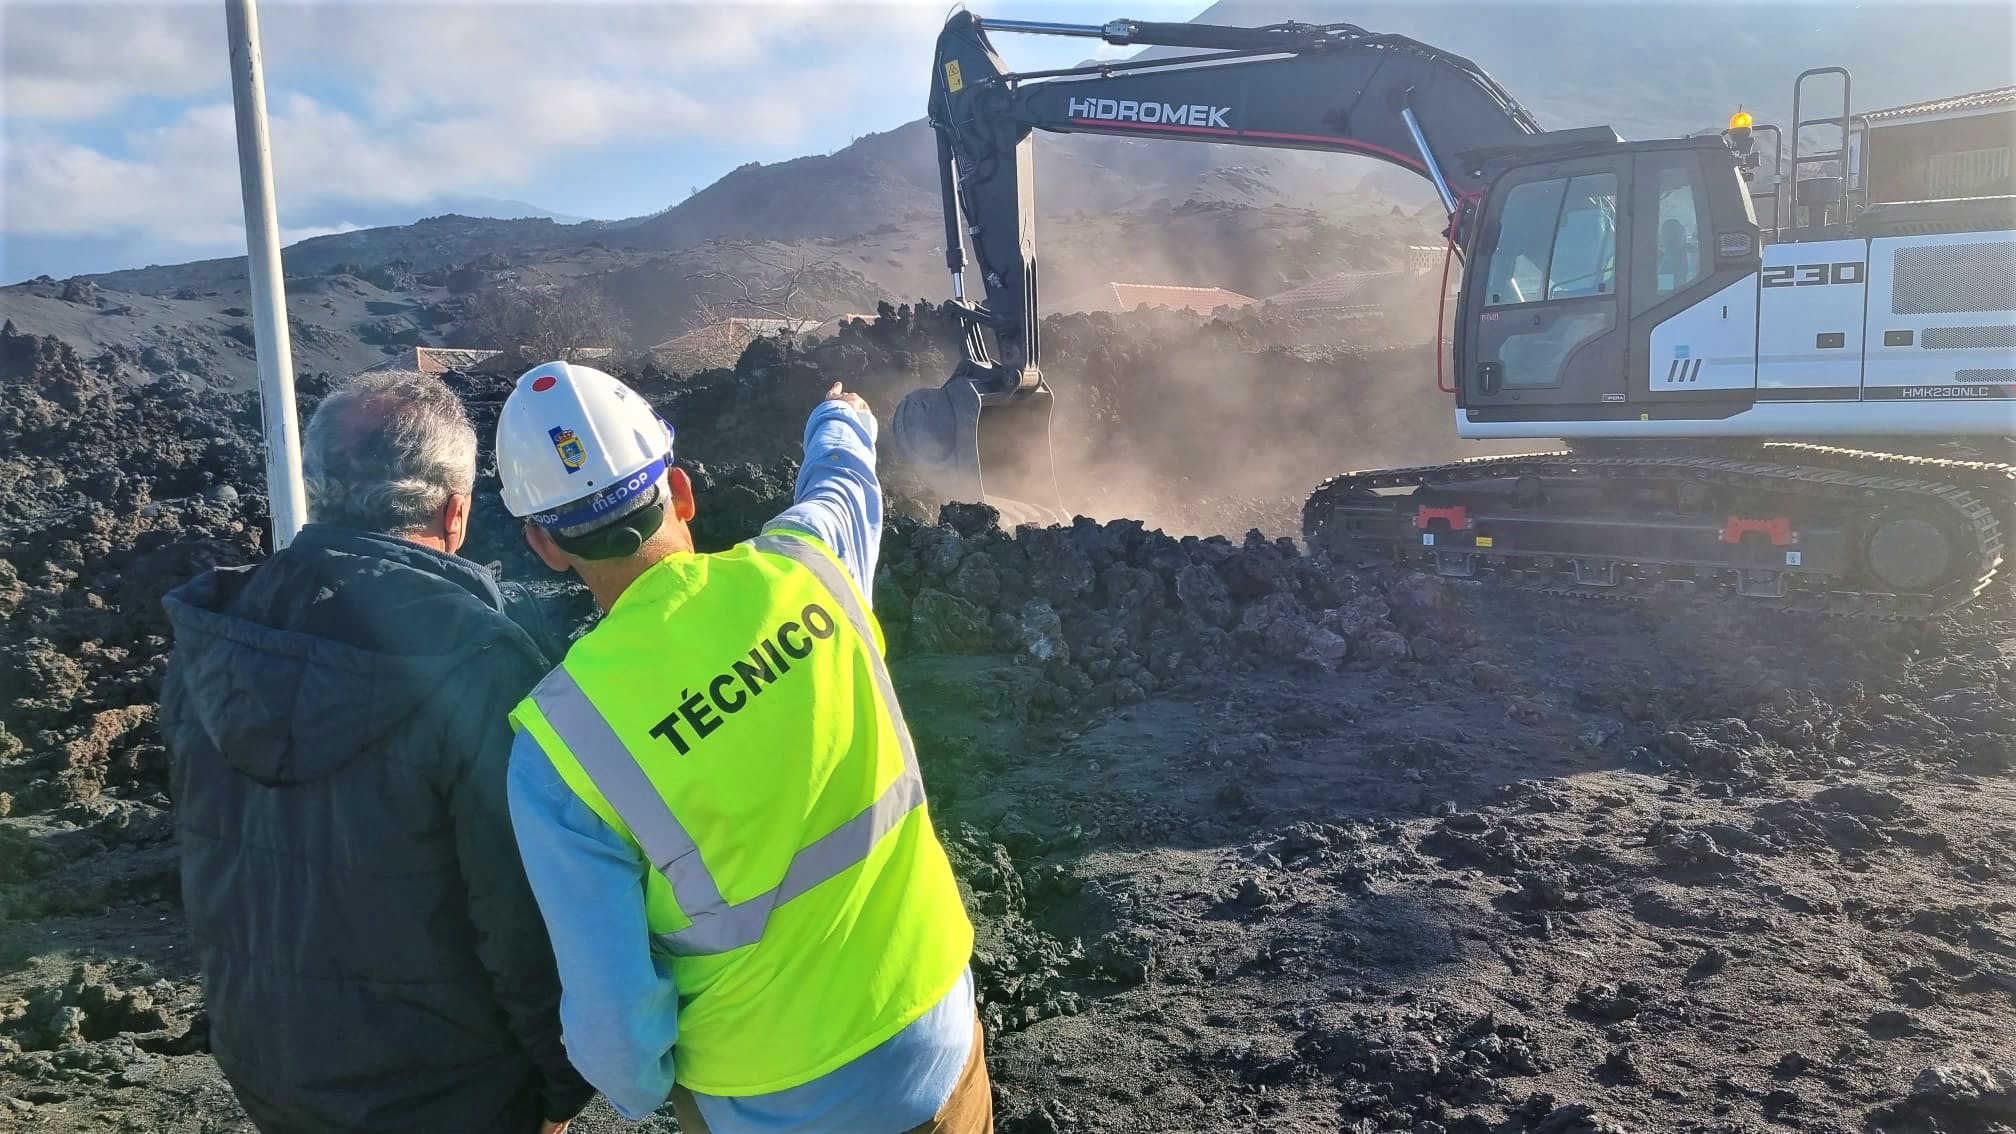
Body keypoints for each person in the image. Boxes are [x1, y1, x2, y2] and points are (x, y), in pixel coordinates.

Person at [497, 360, 989, 1134]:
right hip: (932, 1029)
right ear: (682, 490)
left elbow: (614, 1017)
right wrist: (841, 421)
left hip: (771, 1098)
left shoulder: (561, 748)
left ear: (544, 546)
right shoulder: (810, 569)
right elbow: (840, 491)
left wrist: (644, 1092)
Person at [160, 369, 592, 1134]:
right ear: (455, 512)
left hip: (267, 1061)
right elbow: (523, 916)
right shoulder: (478, 662)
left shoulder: (212, 635)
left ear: (320, 490)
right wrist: (562, 1080)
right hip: (444, 1091)